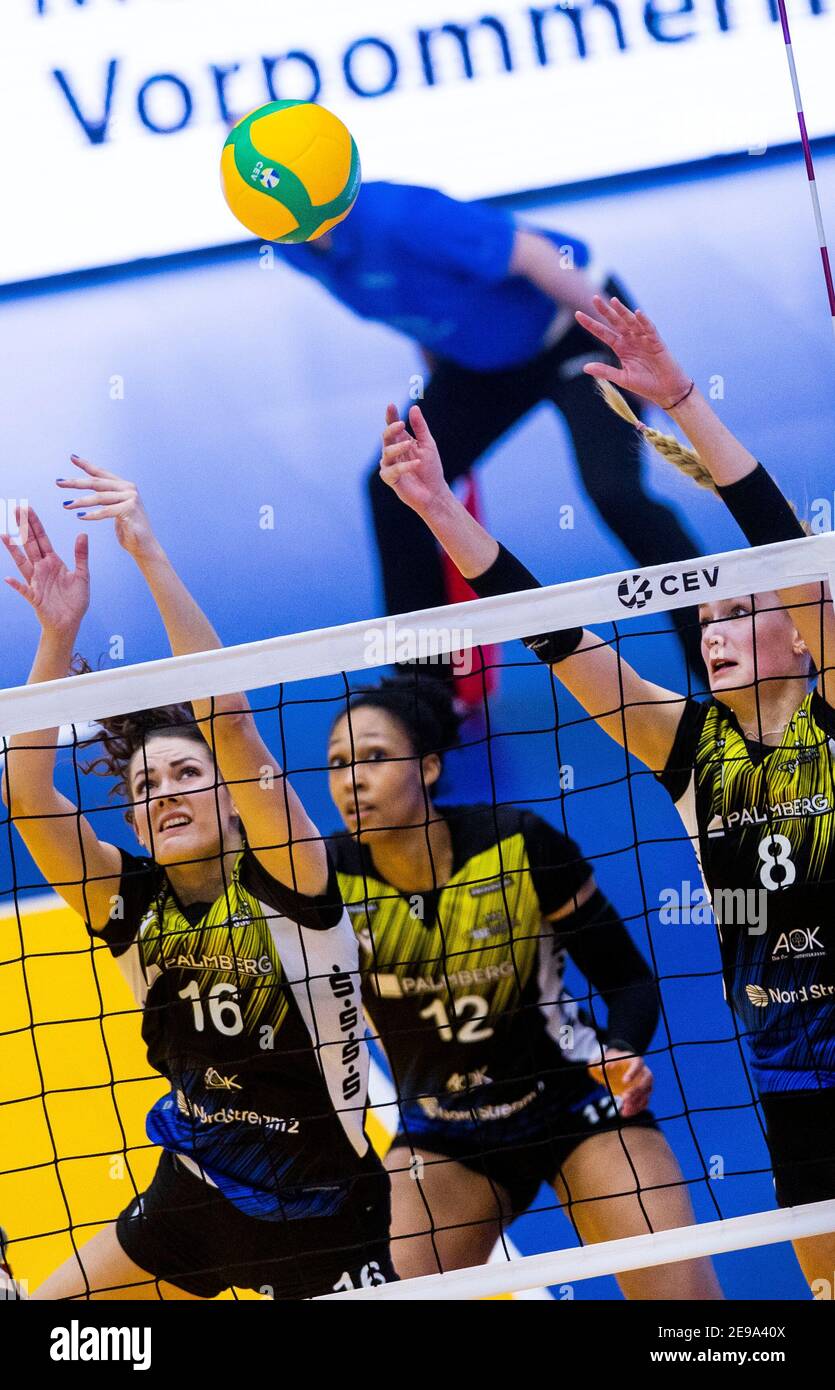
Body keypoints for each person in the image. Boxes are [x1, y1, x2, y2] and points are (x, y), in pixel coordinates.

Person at [376, 293, 835, 1291]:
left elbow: (784, 545)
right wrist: (438, 509)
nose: (712, 627)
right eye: (705, 614)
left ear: (800, 635)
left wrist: (680, 402)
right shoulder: (684, 745)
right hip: (793, 1073)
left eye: (740, 609)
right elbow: (555, 633)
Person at [0, 466, 395, 1301]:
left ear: (228, 792)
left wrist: (146, 553)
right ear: (136, 828)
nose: (166, 791)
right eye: (146, 789)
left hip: (325, 1209)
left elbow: (228, 719)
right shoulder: (127, 901)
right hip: (194, 1192)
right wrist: (56, 637)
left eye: (186, 774)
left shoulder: (289, 876)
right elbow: (29, 796)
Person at [326, 674, 722, 1297]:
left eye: (375, 757)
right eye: (338, 764)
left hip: (576, 1102)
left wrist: (621, 1049)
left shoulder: (517, 843)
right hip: (444, 1130)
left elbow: (626, 978)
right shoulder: (326, 885)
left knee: (687, 1310)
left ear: (429, 768)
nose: (352, 779)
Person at [273, 180, 704, 677]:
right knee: (395, 488)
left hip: (572, 330)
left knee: (616, 493)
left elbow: (536, 255)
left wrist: (638, 355)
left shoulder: (401, 216)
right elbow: (416, 306)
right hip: (484, 364)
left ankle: (722, 644)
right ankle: (424, 688)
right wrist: (445, 405)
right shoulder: (292, 245)